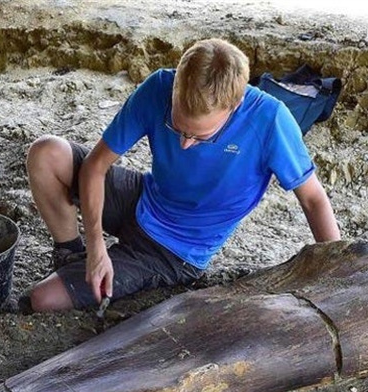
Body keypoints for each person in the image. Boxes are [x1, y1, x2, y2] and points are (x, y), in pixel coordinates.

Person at [24, 38, 340, 312]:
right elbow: (95, 167)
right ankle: (69, 253)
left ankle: (90, 273)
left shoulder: (270, 120)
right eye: (177, 127)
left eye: (201, 137)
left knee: (42, 299)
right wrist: (94, 247)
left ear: (236, 103)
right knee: (47, 152)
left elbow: (313, 199)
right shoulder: (159, 86)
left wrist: (337, 273)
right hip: (143, 197)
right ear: (176, 84)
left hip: (174, 252)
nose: (185, 144)